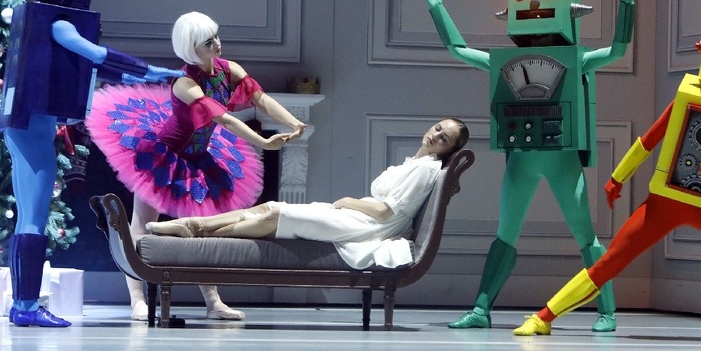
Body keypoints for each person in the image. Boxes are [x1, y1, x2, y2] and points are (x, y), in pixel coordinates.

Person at [512, 4, 701, 342]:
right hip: (666, 203)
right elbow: (648, 141)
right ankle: (542, 318)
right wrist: (617, 178)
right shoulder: (687, 101)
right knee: (610, 262)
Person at [423, 0, 634, 332]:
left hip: (561, 161)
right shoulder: (505, 62)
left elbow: (617, 50)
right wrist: (437, 8)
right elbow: (459, 49)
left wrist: (626, 4)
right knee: (505, 234)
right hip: (522, 161)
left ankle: (607, 312)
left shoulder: (577, 60)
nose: (535, 7)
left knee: (585, 235)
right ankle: (481, 309)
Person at [1, 0, 182, 328]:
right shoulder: (58, 23)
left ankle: (23, 304)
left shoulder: (38, 20)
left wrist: (147, 74)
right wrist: (153, 71)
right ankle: (26, 306)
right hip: (32, 129)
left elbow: (88, 67)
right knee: (33, 217)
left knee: (28, 217)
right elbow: (97, 56)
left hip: (26, 126)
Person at [86, 12, 305, 320]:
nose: (216, 44)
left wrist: (294, 122)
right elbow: (223, 118)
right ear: (191, 48)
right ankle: (137, 299)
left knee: (204, 230)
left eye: (216, 37)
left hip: (201, 157)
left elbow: (261, 100)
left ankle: (213, 302)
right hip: (163, 157)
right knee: (142, 226)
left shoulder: (229, 70)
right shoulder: (184, 83)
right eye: (207, 42)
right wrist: (264, 142)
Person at [146, 119, 469, 270]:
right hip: (360, 216)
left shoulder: (426, 169)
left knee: (277, 215)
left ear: (448, 149)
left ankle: (197, 232)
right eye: (438, 128)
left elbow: (386, 212)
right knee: (270, 206)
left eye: (445, 138)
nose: (436, 135)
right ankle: (193, 225)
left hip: (370, 226)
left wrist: (348, 202)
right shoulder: (414, 163)